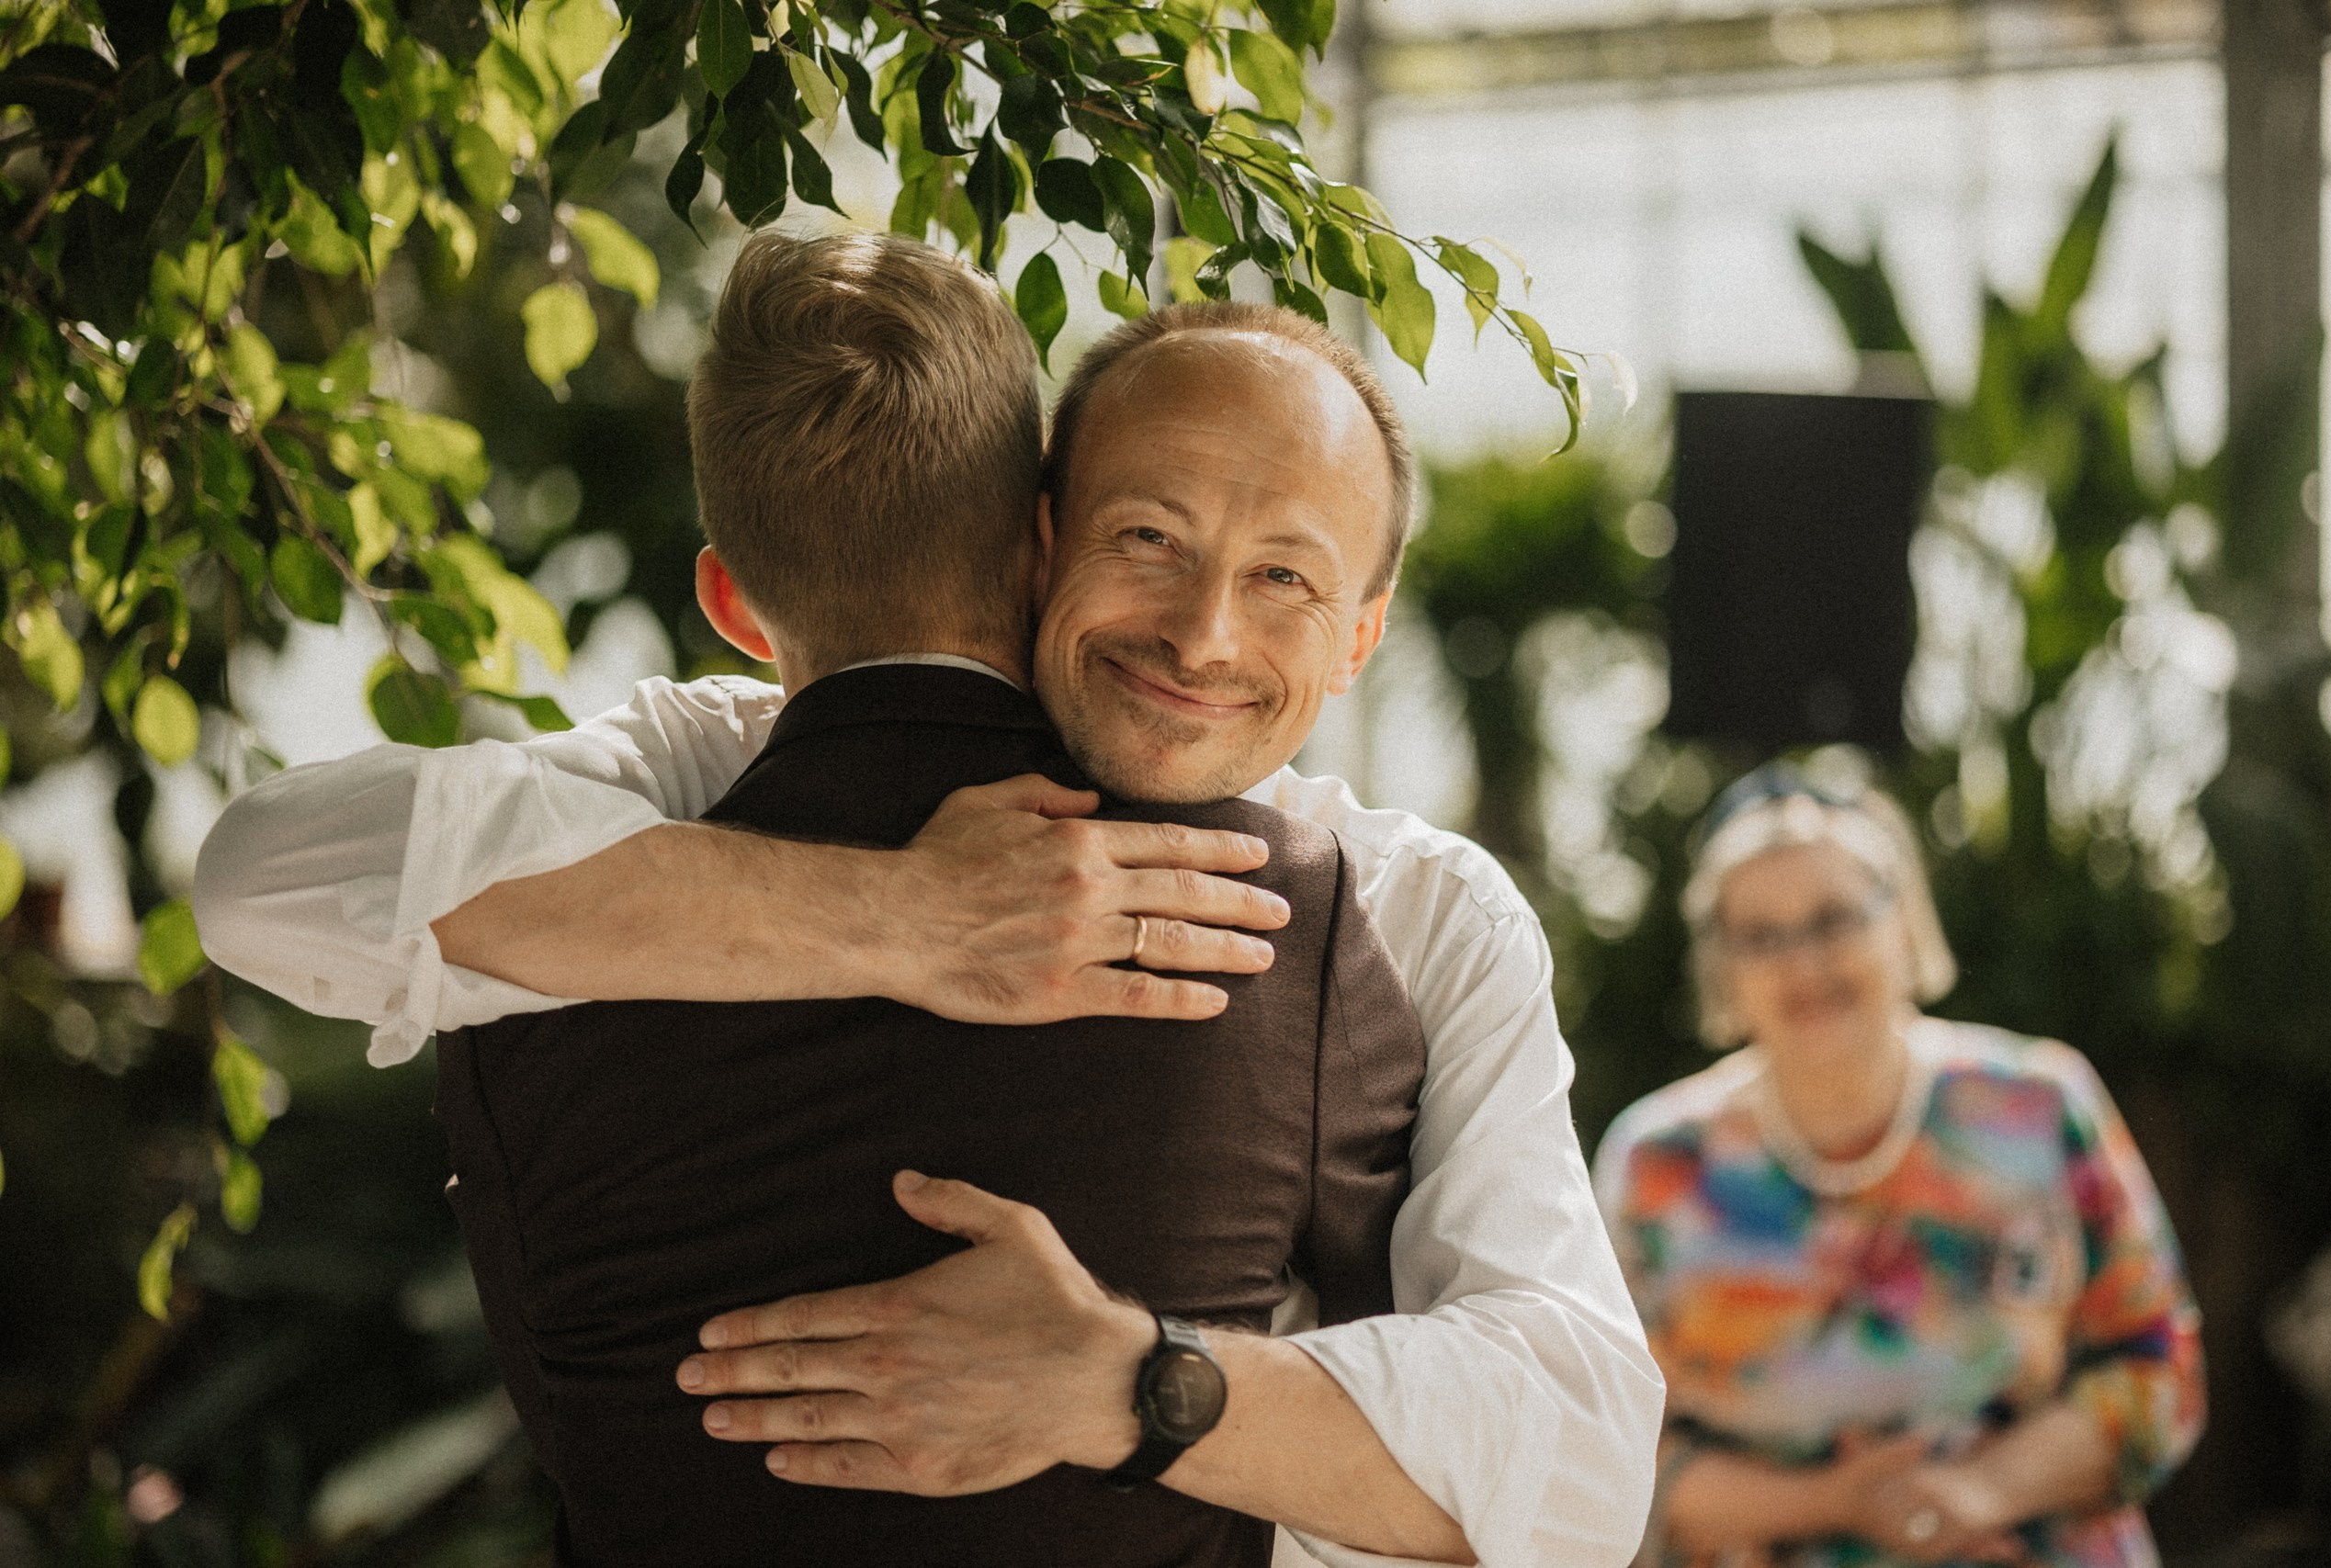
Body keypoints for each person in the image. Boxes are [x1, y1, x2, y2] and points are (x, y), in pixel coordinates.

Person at [193, 252, 1667, 1566]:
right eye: (1148, 536)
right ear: (1041, 538)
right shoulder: (695, 770)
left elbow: (1584, 1469)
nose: (1203, 634)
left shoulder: (1419, 910)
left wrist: (1126, 1381)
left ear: (1359, 637)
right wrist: (905, 914)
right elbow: (268, 874)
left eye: (1282, 573)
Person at [435, 230, 1425, 1567]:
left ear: (730, 597)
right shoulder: (1280, 916)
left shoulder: (494, 947)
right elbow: (1429, 1433)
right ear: (1039, 546)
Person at [1592, 765, 2204, 1568]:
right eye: (1761, 935)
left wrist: (1983, 1491)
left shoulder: (2039, 1106)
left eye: (1835, 917)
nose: (1804, 963)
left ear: (1905, 922)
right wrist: (1839, 1503)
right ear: (1724, 971)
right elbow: (1606, 1442)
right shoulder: (1657, 1162)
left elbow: (2158, 1367)